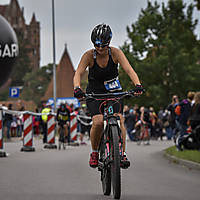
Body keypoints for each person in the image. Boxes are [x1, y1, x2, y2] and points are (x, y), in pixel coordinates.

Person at [73, 23, 144, 168]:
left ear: (109, 42)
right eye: (97, 45)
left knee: (119, 119)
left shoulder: (116, 53)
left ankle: (121, 153)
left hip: (114, 91)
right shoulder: (89, 56)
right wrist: (77, 88)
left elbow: (129, 70)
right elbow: (78, 73)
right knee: (98, 122)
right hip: (95, 92)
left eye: (103, 45)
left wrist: (137, 85)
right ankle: (94, 152)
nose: (100, 48)